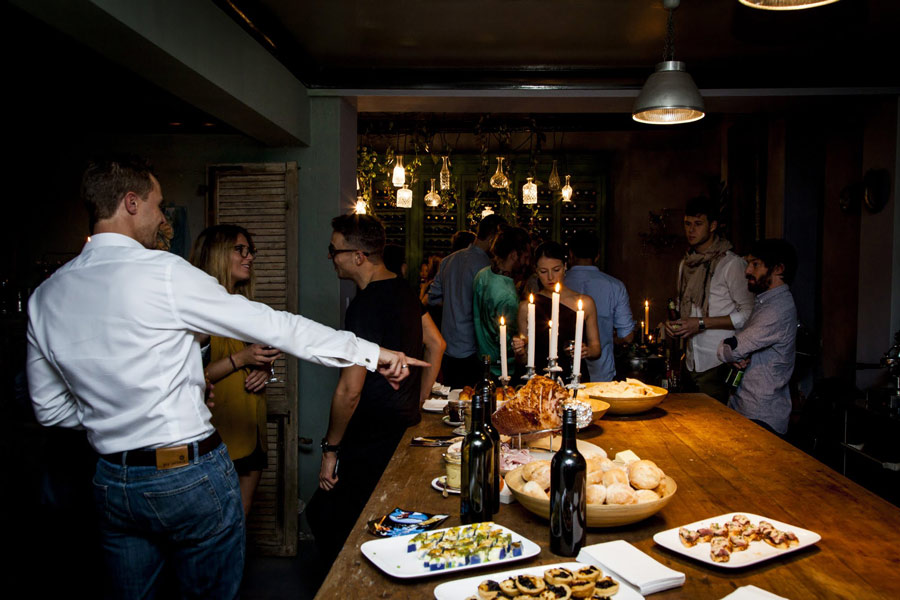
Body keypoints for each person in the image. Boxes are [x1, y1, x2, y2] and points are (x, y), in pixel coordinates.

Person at [25, 156, 424, 598]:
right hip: (186, 475)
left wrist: (115, 412)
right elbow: (275, 325)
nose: (163, 219)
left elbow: (49, 410)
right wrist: (373, 353)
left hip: (112, 480)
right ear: (131, 203)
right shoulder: (164, 273)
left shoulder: (46, 295)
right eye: (159, 205)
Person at [308, 214, 445, 563]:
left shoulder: (364, 306)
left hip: (370, 434)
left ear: (358, 256)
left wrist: (330, 449)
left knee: (331, 520)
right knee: (377, 520)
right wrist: (417, 399)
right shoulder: (405, 289)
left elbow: (349, 390)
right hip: (400, 428)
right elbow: (436, 344)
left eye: (334, 250)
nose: (330, 257)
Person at [189, 224, 279, 519]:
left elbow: (257, 359)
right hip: (217, 440)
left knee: (240, 521)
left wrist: (265, 369)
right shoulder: (198, 312)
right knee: (214, 524)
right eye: (240, 249)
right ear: (216, 253)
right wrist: (241, 359)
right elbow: (188, 377)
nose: (249, 257)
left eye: (250, 250)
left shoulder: (245, 308)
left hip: (251, 434)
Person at [664, 197, 755, 403]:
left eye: (698, 224)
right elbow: (683, 305)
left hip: (719, 361)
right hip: (691, 360)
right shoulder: (686, 263)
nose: (691, 230)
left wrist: (701, 323)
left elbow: (748, 313)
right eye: (687, 224)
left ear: (713, 226)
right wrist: (673, 323)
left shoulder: (731, 264)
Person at [717, 239, 798, 436]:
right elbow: (738, 346)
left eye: (755, 264)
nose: (747, 271)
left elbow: (733, 348)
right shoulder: (766, 301)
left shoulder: (777, 309)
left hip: (761, 415)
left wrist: (728, 350)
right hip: (747, 409)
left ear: (778, 269)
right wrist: (734, 351)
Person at [428, 215, 506, 388]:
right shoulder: (487, 267)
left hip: (448, 346)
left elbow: (433, 298)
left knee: (452, 397)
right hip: (476, 349)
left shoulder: (448, 260)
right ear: (493, 237)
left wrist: (454, 304)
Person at [513, 241, 602, 378]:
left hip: (573, 375)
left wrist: (587, 351)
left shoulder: (585, 303)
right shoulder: (527, 307)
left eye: (556, 270)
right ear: (536, 271)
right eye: (543, 271)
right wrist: (519, 351)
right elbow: (524, 360)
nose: (550, 277)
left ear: (565, 266)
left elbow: (596, 348)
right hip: (539, 378)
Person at [564, 230, 634, 381]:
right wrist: (607, 337)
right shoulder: (615, 286)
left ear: (570, 254)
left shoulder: (558, 285)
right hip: (601, 374)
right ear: (597, 256)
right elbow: (627, 336)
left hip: (563, 372)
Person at [472, 227, 532, 378]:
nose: (527, 262)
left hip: (481, 358)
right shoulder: (508, 296)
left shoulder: (482, 274)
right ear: (513, 255)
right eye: (525, 257)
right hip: (502, 369)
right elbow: (509, 341)